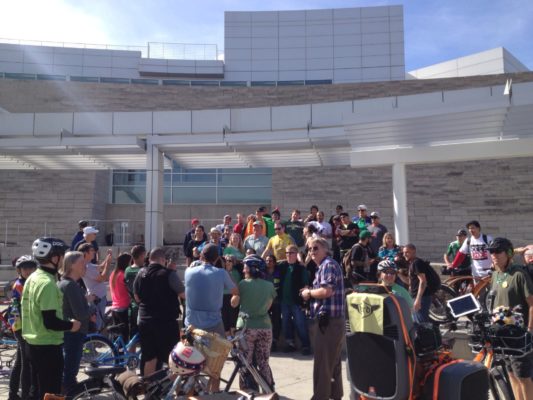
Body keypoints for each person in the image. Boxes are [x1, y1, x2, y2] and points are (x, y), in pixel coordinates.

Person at [22, 237, 81, 399]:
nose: (64, 259)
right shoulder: (47, 284)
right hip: (47, 346)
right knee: (51, 394)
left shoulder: (33, 278)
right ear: (55, 258)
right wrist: (71, 325)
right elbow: (50, 322)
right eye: (62, 255)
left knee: (37, 392)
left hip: (32, 344)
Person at [184, 244, 238, 391]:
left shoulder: (188, 271)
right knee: (216, 365)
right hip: (213, 324)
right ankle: (213, 393)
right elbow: (235, 290)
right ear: (217, 258)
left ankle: (188, 391)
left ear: (201, 256)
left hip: (191, 325)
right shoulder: (221, 273)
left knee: (188, 364)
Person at [487, 237, 533, 400]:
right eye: (491, 252)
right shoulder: (495, 275)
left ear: (508, 253)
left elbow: (532, 304)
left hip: (519, 334)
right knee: (511, 374)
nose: (494, 255)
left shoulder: (519, 274)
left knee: (523, 377)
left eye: (498, 252)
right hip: (502, 333)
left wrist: (529, 330)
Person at [301, 237, 345, 400]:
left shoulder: (327, 265)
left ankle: (320, 397)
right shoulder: (325, 266)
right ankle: (335, 394)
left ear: (325, 249)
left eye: (315, 248)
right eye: (309, 249)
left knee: (323, 364)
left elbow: (326, 291)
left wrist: (309, 293)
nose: (311, 252)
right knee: (332, 363)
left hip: (329, 323)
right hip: (332, 321)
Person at [133, 247, 185, 376]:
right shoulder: (168, 274)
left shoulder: (140, 273)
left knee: (150, 358)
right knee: (173, 358)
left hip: (145, 321)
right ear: (163, 259)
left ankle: (148, 389)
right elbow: (184, 294)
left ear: (150, 259)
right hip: (165, 323)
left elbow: (137, 297)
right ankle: (174, 391)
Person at [231, 255, 277, 391]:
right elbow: (268, 306)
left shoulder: (242, 284)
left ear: (252, 268)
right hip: (265, 327)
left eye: (245, 266)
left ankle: (249, 392)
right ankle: (268, 392)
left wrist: (235, 294)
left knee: (245, 363)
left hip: (246, 329)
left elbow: (234, 304)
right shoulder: (269, 286)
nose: (243, 269)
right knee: (263, 363)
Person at [58, 251, 93, 393]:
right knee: (70, 370)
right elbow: (81, 314)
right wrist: (90, 305)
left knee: (67, 368)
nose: (85, 265)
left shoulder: (63, 282)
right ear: (72, 265)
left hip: (68, 332)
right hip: (74, 333)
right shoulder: (71, 285)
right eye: (82, 262)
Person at [8, 256, 37, 400]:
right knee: (26, 363)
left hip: (21, 326)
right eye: (25, 268)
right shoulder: (21, 285)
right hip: (22, 327)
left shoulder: (26, 282)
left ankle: (13, 394)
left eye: (31, 268)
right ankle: (25, 395)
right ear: (19, 270)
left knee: (20, 362)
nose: (28, 271)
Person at [278, 245, 311, 355]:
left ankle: (306, 345)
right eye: (287, 253)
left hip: (297, 301)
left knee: (300, 323)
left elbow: (306, 284)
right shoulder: (282, 266)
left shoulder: (301, 268)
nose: (288, 255)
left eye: (291, 253)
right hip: (284, 301)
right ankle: (290, 344)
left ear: (296, 254)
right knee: (285, 323)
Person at [79, 243, 112, 332]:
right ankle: (92, 345)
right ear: (85, 253)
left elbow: (100, 267)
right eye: (92, 250)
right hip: (97, 299)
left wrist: (107, 257)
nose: (94, 252)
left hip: (99, 298)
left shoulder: (89, 265)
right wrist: (108, 263)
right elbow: (102, 278)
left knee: (98, 324)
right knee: (96, 326)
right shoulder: (87, 267)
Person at [403, 243, 432, 323]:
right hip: (416, 297)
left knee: (422, 322)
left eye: (407, 252)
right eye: (404, 252)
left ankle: (426, 335)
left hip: (422, 297)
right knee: (417, 321)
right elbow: (410, 282)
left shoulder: (416, 263)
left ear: (413, 252)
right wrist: (398, 273)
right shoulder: (412, 263)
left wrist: (418, 300)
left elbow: (423, 281)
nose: (404, 254)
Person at [109, 253, 133, 341]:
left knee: (117, 335)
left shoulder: (113, 274)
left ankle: (116, 352)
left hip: (114, 307)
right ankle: (122, 353)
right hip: (123, 307)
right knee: (124, 335)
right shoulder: (123, 275)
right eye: (131, 262)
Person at [124, 244, 146, 339]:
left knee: (133, 335)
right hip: (142, 308)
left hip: (132, 306)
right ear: (142, 255)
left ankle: (131, 353)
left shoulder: (127, 270)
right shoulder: (143, 271)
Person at [222, 255, 242, 338]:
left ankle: (233, 338)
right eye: (226, 260)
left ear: (233, 263)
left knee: (232, 318)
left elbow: (237, 286)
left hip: (232, 297)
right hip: (222, 297)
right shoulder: (221, 272)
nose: (228, 262)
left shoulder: (236, 273)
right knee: (224, 317)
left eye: (230, 261)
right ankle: (228, 337)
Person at [265, 254, 281, 351]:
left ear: (274, 262)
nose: (268, 262)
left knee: (276, 321)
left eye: (270, 260)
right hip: (266, 302)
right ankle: (267, 341)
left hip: (276, 301)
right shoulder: (263, 273)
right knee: (266, 322)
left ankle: (274, 341)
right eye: (267, 260)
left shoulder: (279, 272)